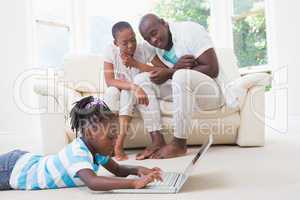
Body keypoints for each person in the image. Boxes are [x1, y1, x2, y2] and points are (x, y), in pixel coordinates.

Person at [0, 96, 162, 191]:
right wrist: (134, 183)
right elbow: (93, 182)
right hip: (13, 170)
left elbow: (118, 169)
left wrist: (138, 170)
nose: (115, 142)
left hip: (26, 161)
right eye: (110, 137)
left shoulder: (97, 151)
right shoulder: (78, 153)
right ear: (90, 132)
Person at [132, 14, 225, 159]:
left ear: (164, 23)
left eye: (154, 33)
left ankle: (179, 143)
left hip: (209, 92)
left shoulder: (189, 30)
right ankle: (157, 140)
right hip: (182, 93)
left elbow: (213, 69)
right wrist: (172, 71)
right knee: (141, 80)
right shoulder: (155, 48)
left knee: (180, 76)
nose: (153, 40)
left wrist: (171, 72)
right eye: (148, 39)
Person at [103, 21, 166, 161]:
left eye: (133, 40)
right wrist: (134, 87)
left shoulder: (144, 49)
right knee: (111, 92)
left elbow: (163, 71)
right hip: (125, 89)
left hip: (134, 93)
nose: (131, 45)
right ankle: (107, 143)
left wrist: (136, 64)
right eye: (125, 43)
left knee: (127, 93)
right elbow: (109, 81)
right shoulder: (110, 51)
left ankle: (118, 146)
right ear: (116, 43)